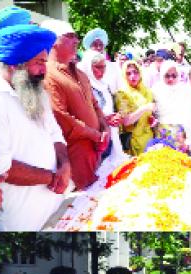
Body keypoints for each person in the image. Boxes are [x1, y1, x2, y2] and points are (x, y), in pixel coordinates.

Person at [0, 22, 72, 230]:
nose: (44, 70)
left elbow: (55, 133)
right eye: (38, 62)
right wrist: (52, 177)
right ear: (14, 64)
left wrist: (65, 165)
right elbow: (0, 167)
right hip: (18, 222)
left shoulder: (36, 91)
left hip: (52, 210)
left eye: (45, 62)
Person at [42, 20, 108, 190]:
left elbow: (95, 105)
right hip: (74, 159)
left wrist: (104, 129)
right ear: (54, 41)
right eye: (70, 36)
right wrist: (94, 134)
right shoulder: (49, 74)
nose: (76, 41)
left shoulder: (80, 73)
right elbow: (61, 117)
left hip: (95, 153)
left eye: (76, 37)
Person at [78, 50, 125, 164]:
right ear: (88, 67)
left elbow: (113, 107)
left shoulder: (105, 85)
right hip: (95, 140)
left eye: (104, 67)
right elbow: (82, 116)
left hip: (111, 136)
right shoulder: (82, 88)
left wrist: (118, 115)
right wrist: (104, 120)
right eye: (98, 67)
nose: (102, 71)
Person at [152, 60, 191, 154]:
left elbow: (189, 117)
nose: (170, 79)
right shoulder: (155, 90)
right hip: (161, 132)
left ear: (178, 75)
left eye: (174, 75)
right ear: (161, 74)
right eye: (167, 75)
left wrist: (189, 140)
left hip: (180, 134)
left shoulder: (185, 91)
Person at [114, 60, 155, 155]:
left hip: (149, 140)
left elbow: (148, 115)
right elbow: (126, 121)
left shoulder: (147, 92)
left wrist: (152, 120)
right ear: (124, 76)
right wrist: (145, 108)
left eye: (135, 72)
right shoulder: (122, 94)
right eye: (128, 73)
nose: (133, 76)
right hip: (133, 142)